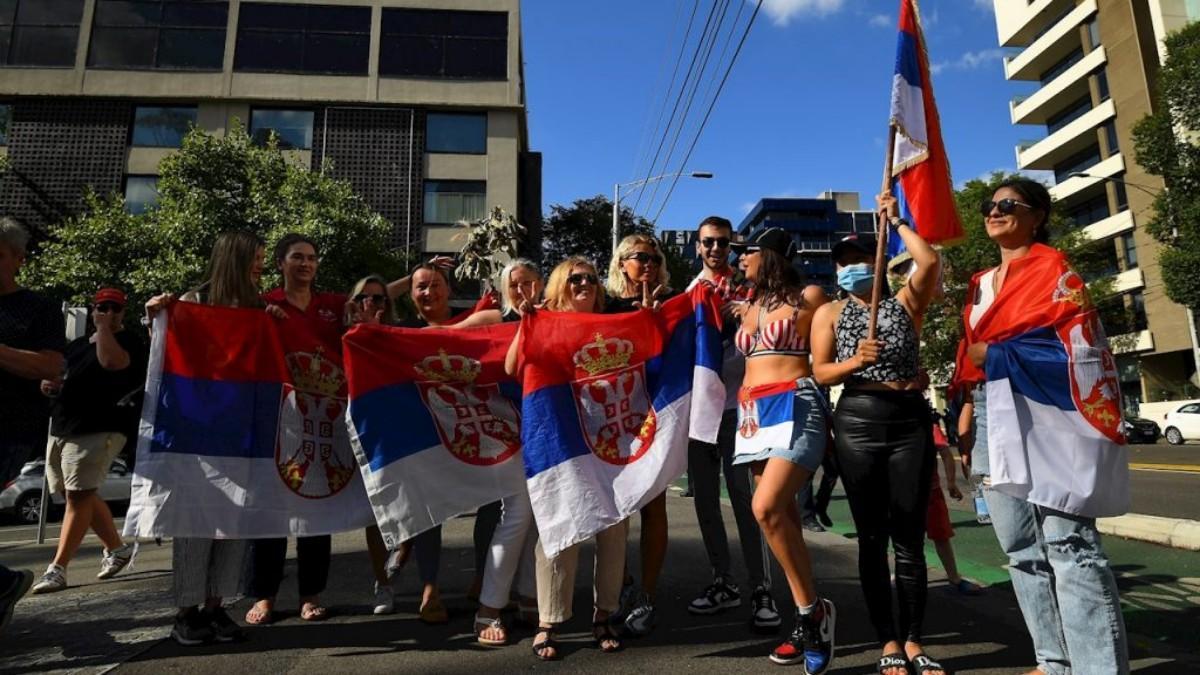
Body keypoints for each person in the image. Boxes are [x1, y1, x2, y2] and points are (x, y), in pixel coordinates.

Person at [954, 178, 1129, 675]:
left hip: (1049, 409)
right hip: (992, 409)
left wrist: (1000, 353)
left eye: (1009, 204)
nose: (995, 211)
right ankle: (1053, 662)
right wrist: (967, 407)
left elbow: (1084, 350)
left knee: (1069, 544)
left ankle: (1098, 668)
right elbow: (971, 358)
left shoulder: (1056, 269)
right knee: (1020, 549)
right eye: (991, 205)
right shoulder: (980, 282)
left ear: (1038, 215)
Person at [810, 192, 944, 675]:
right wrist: (854, 362)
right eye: (843, 262)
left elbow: (928, 260)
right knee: (872, 536)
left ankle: (913, 640)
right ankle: (885, 640)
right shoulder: (829, 312)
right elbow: (821, 372)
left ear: (880, 259)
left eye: (861, 258)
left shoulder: (908, 301)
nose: (851, 268)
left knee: (910, 534)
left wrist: (897, 220)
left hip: (908, 418)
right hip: (859, 417)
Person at [145, 229, 267, 645]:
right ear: (233, 259)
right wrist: (156, 319)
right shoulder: (192, 305)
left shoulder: (259, 309)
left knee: (234, 524)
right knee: (194, 525)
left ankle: (217, 607)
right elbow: (165, 357)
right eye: (254, 258)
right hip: (196, 438)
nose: (260, 266)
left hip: (241, 436)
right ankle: (187, 611)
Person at [507, 257, 627, 660]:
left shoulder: (611, 324)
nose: (585, 284)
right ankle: (549, 620)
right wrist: (526, 324)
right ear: (560, 284)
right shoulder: (541, 320)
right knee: (560, 526)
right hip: (559, 442)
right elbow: (512, 368)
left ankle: (603, 614)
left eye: (592, 279)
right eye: (575, 278)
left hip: (608, 442)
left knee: (614, 527)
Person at [726, 227, 835, 670]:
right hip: (753, 414)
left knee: (765, 508)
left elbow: (828, 354)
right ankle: (806, 615)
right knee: (782, 523)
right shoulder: (747, 304)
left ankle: (813, 613)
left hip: (796, 400)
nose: (738, 261)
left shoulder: (810, 296)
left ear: (768, 255)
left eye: (744, 253)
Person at [681, 217, 780, 632]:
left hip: (741, 408)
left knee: (744, 498)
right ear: (697, 245)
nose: (716, 249)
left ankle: (762, 588)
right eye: (708, 242)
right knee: (705, 499)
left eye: (723, 242)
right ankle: (723, 580)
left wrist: (747, 314)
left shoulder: (752, 291)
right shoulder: (688, 293)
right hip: (700, 410)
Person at [244, 234, 343, 625]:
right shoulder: (263, 303)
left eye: (312, 257)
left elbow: (375, 296)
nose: (306, 263)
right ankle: (264, 595)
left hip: (322, 420)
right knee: (269, 507)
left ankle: (310, 594)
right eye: (298, 257)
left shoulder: (332, 305)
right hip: (276, 417)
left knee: (316, 505)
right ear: (281, 263)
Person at [31, 288, 145, 594]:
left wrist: (104, 328)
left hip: (100, 427)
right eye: (102, 307)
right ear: (93, 307)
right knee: (74, 493)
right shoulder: (78, 345)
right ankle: (117, 548)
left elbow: (111, 363)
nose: (109, 312)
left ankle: (58, 568)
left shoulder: (129, 341)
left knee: (78, 496)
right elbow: (62, 374)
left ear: (123, 312)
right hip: (64, 426)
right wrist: (50, 385)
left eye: (115, 308)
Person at [453, 259, 543, 646]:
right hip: (504, 429)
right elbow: (442, 337)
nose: (522, 290)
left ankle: (526, 596)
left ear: (540, 284)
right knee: (517, 516)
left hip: (544, 427)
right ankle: (489, 607)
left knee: (540, 518)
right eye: (514, 284)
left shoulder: (552, 315)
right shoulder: (494, 316)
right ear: (505, 289)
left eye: (528, 282)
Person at [604, 233, 676, 637]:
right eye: (638, 257)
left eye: (653, 257)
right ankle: (618, 589)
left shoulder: (674, 303)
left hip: (657, 417)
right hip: (610, 419)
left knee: (653, 505)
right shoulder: (606, 308)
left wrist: (657, 319)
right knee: (614, 511)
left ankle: (647, 595)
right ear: (621, 264)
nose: (647, 263)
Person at [0, 217, 64, 634]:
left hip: (8, 428)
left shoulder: (38, 308)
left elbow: (51, 365)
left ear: (19, 259)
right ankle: (4, 583)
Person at [927, 412, 981, 596]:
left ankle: (953, 577)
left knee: (941, 536)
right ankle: (909, 574)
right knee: (907, 538)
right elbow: (946, 454)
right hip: (907, 492)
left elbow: (946, 454)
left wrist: (950, 482)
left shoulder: (928, 427)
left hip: (930, 492)